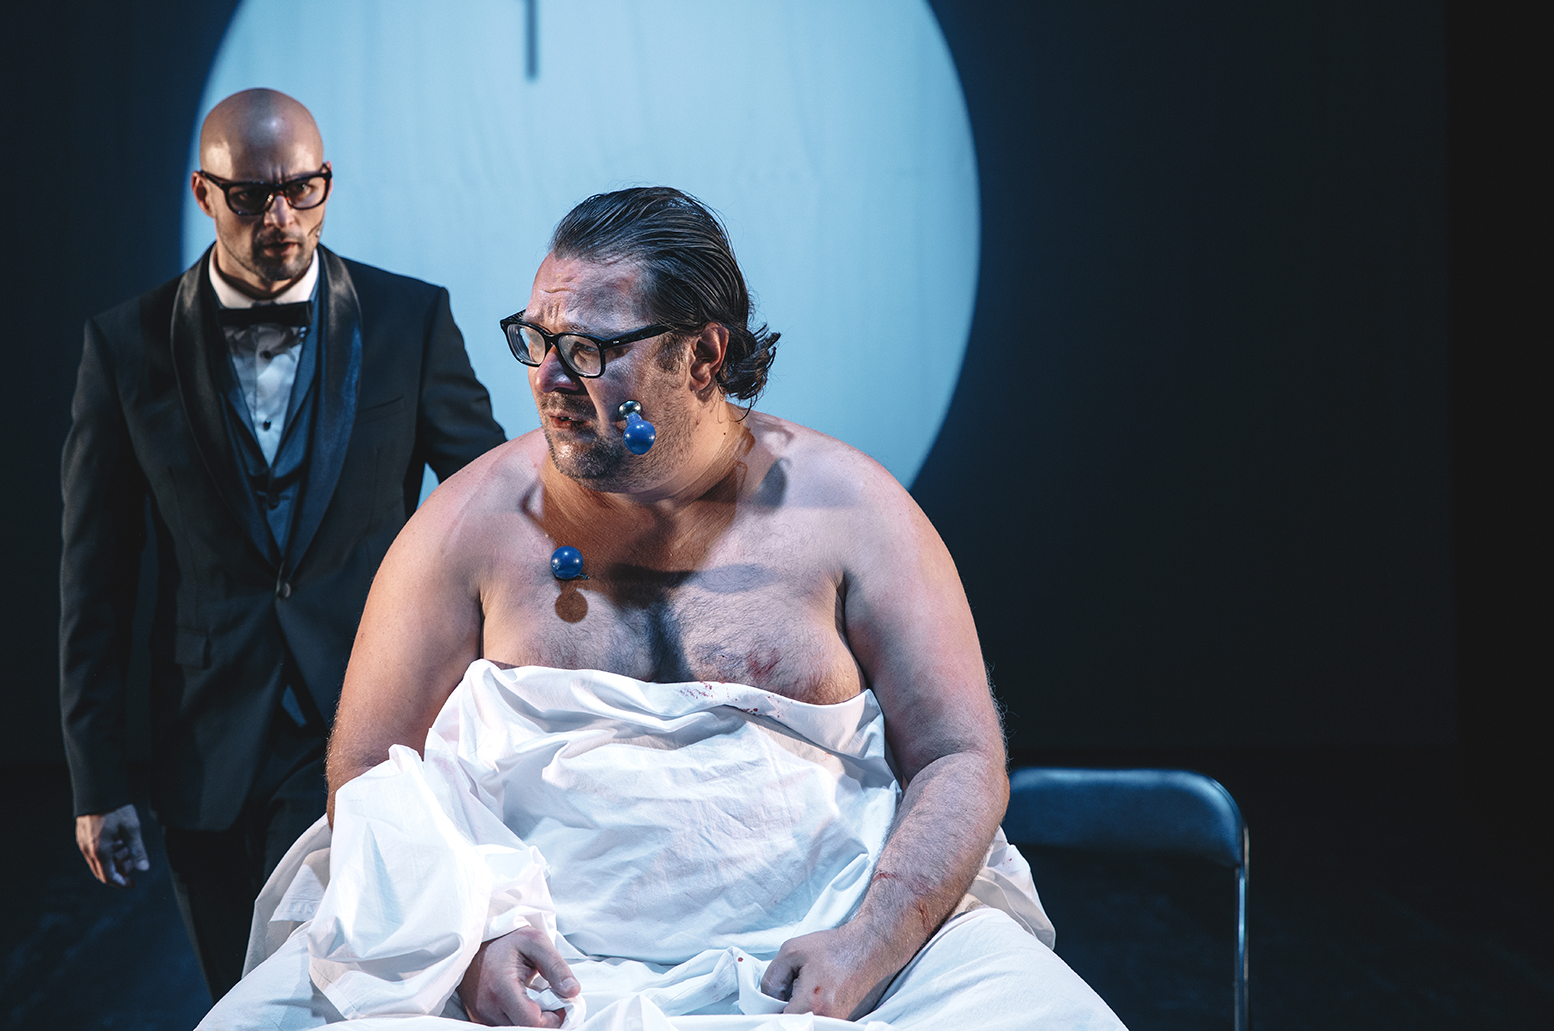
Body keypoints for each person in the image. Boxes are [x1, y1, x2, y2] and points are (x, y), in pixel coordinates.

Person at [197, 187, 1120, 1029]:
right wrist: (470, 943)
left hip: (827, 933)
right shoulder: (466, 528)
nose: (549, 377)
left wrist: (869, 946)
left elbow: (959, 753)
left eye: (589, 349)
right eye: (535, 340)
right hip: (531, 957)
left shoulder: (855, 513)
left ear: (703, 354)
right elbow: (368, 764)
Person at [58, 88, 505, 1001]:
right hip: (204, 743)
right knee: (238, 999)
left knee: (349, 997)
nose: (282, 218)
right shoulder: (127, 344)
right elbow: (94, 577)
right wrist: (97, 781)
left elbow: (486, 513)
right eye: (253, 196)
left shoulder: (408, 319)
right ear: (203, 193)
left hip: (369, 720)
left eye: (304, 190)